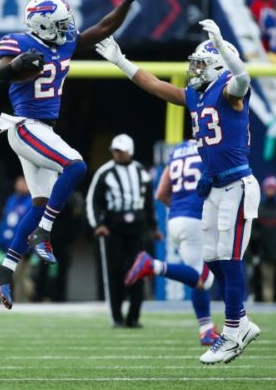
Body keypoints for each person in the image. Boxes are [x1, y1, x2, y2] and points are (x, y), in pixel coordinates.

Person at [95, 19, 262, 364]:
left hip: (236, 185)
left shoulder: (230, 89)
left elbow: (244, 79)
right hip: (214, 187)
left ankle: (233, 330)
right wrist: (121, 61)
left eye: (201, 63)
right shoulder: (197, 96)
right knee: (213, 260)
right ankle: (240, 321)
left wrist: (221, 43)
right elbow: (155, 86)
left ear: (218, 65)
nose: (194, 70)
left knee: (229, 260)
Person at [0, 0, 151, 310]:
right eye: (61, 23)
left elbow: (103, 28)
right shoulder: (21, 43)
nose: (68, 27)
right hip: (27, 126)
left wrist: (127, 2)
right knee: (75, 166)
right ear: (42, 24)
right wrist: (15, 66)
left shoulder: (64, 41)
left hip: (41, 130)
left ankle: (5, 270)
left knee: (39, 202)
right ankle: (43, 233)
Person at [124, 140, 219, 346]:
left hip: (175, 219)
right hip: (196, 219)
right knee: (204, 279)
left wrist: (180, 209)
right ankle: (152, 265)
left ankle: (206, 330)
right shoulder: (210, 146)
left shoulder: (178, 150)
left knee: (197, 279)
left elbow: (160, 193)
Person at [86, 134, 161, 328]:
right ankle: (117, 317)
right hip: (114, 228)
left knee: (139, 270)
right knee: (115, 272)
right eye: (115, 150)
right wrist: (98, 225)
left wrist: (154, 227)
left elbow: (149, 203)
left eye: (121, 150)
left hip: (137, 228)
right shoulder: (105, 172)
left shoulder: (141, 172)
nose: (117, 154)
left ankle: (134, 317)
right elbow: (92, 201)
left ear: (130, 151)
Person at [251, 176, 276, 301]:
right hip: (265, 254)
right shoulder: (259, 207)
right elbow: (254, 232)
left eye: (272, 188)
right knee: (266, 282)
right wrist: (256, 253)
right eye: (268, 188)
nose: (270, 191)